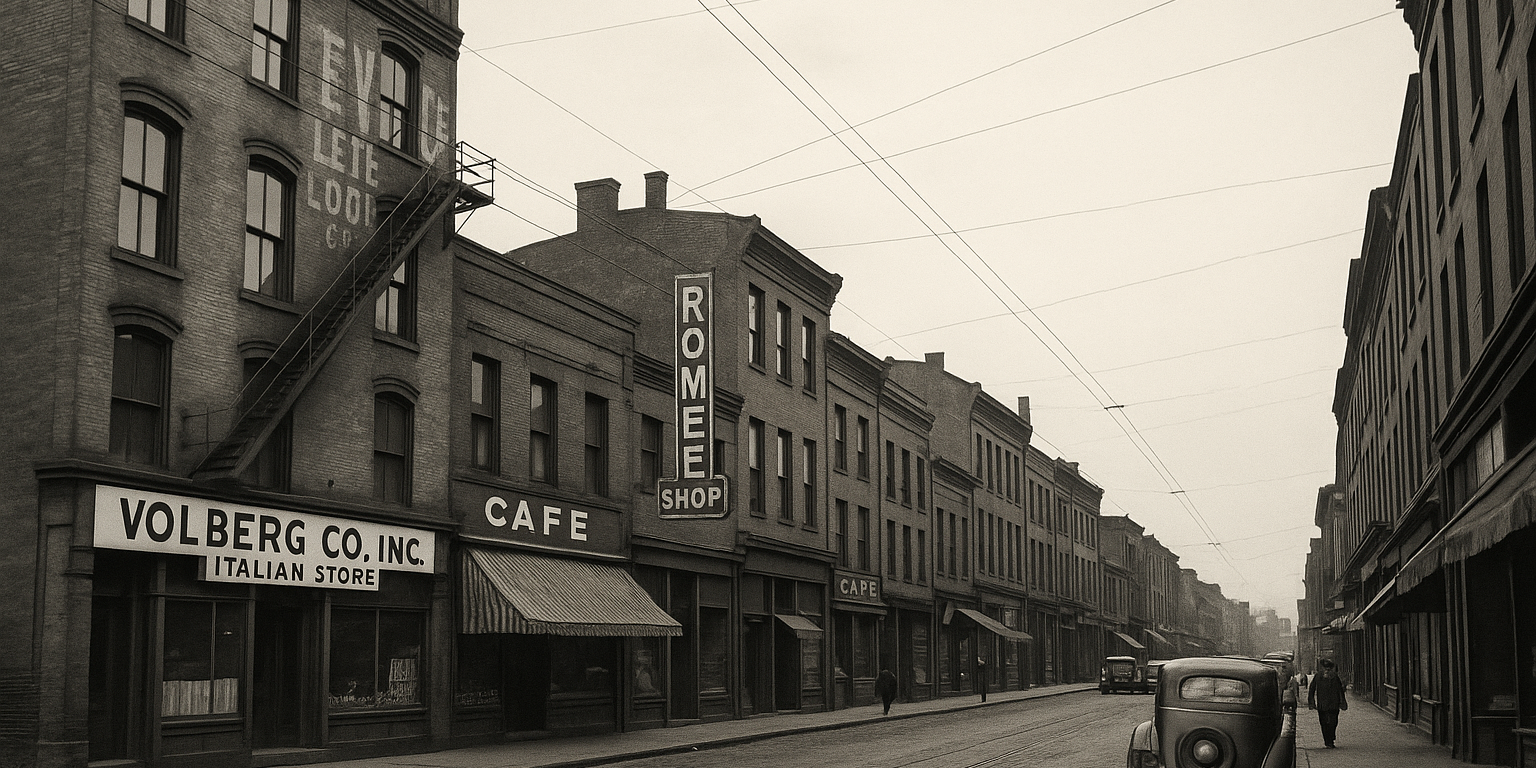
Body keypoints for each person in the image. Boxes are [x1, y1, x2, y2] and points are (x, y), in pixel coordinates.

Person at [1306, 658, 1348, 748]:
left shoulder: (1335, 677)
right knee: (1323, 723)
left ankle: (1331, 737)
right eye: (1325, 668)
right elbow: (1311, 689)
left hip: (1334, 704)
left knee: (1333, 722)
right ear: (1323, 668)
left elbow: (1340, 690)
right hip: (1322, 705)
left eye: (1329, 668)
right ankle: (1327, 741)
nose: (1327, 670)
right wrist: (1311, 702)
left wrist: (1342, 702)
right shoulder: (1318, 677)